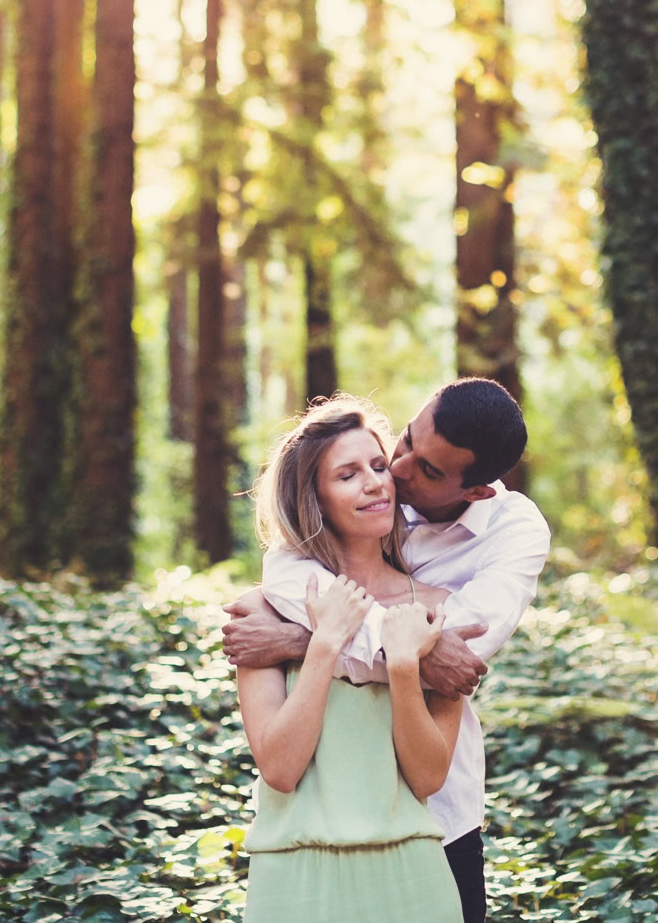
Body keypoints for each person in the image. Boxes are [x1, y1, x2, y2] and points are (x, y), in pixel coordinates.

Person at [226, 378, 550, 923]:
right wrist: (342, 639)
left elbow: (450, 662)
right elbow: (291, 568)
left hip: (435, 825)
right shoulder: (282, 589)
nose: (392, 475)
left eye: (424, 471)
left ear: (475, 491)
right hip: (306, 850)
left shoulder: (508, 537)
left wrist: (302, 641)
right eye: (402, 443)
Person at [236, 395, 464, 923]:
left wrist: (405, 667)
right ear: (314, 499)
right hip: (295, 876)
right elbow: (281, 767)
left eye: (379, 466)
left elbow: (428, 778)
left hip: (411, 874)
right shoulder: (262, 614)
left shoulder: (434, 608)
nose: (375, 483)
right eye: (347, 474)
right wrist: (323, 643)